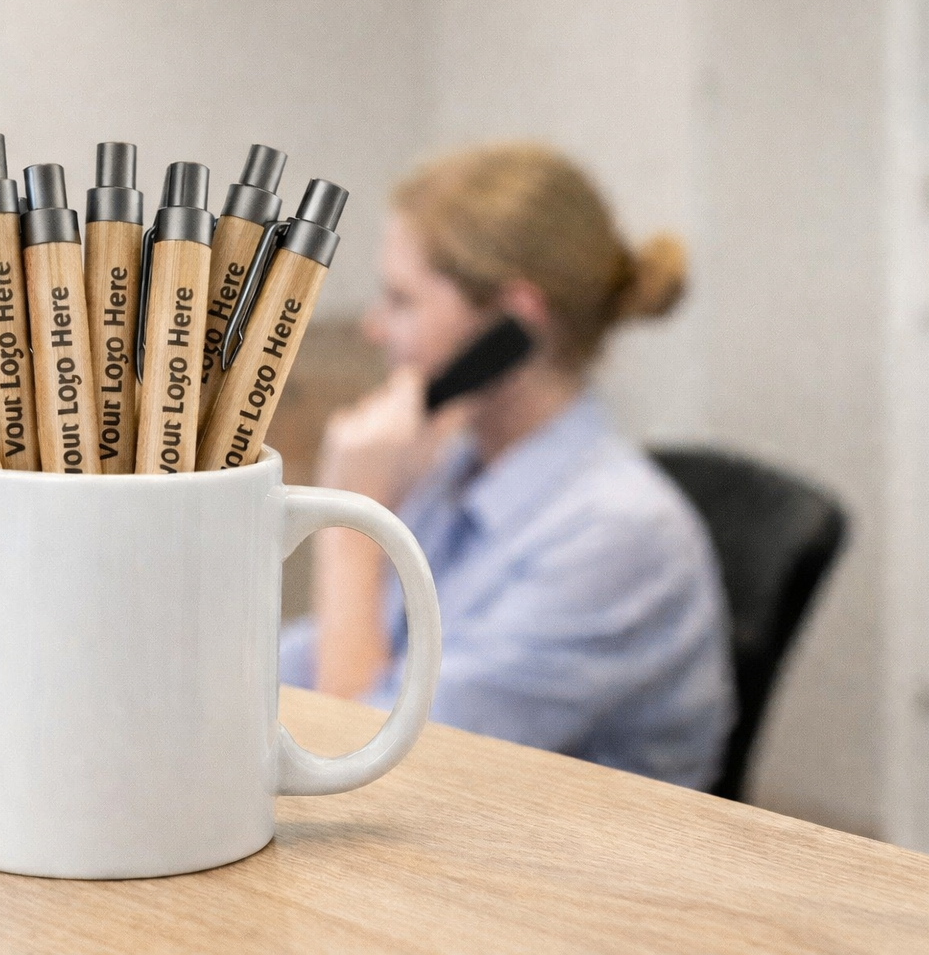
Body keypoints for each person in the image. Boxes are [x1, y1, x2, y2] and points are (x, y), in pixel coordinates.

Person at [279, 142, 735, 790]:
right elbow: (316, 659)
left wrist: (351, 524)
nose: (375, 329)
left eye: (403, 302)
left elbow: (357, 761)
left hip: (567, 880)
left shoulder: (621, 537)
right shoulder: (457, 466)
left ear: (514, 325)